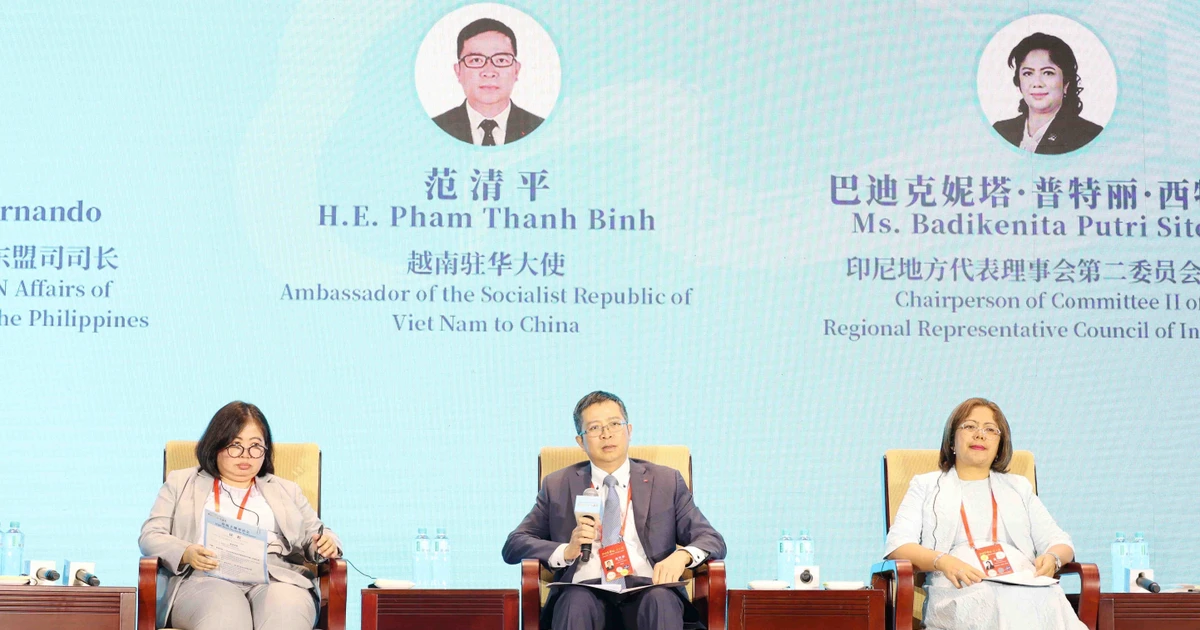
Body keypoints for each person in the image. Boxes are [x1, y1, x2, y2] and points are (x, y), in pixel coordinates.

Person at [502, 391, 726, 630]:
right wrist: (566, 551)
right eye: (595, 428)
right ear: (581, 441)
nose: (606, 434)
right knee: (575, 602)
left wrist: (681, 557)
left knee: (660, 600)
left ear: (629, 430)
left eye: (614, 424)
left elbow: (712, 539)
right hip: (583, 591)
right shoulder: (557, 484)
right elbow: (514, 545)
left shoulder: (666, 481)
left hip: (649, 589)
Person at [884, 398, 1086, 630]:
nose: (980, 435)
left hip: (1023, 585)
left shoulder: (1018, 487)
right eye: (970, 426)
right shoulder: (926, 485)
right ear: (951, 440)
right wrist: (944, 561)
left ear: (1000, 444)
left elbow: (1059, 541)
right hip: (959, 588)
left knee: (1048, 599)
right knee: (997, 601)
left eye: (990, 430)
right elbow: (898, 545)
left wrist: (1053, 558)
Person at [139, 401, 341, 630]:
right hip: (206, 578)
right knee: (226, 613)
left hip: (274, 577)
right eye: (235, 445)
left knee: (286, 610)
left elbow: (318, 534)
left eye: (256, 446)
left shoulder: (286, 490)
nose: (246, 455)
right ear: (215, 445)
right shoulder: (181, 482)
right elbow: (151, 535)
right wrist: (186, 552)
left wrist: (325, 543)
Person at [433, 17, 544, 145]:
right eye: (476, 60)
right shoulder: (434, 129)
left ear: (516, 70)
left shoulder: (540, 129)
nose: (489, 72)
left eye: (501, 60)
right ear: (458, 71)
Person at [992, 32, 1103, 154]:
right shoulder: (1000, 131)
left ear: (1066, 83)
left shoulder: (1090, 136)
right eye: (1028, 73)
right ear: (1019, 82)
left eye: (1048, 73)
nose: (1037, 83)